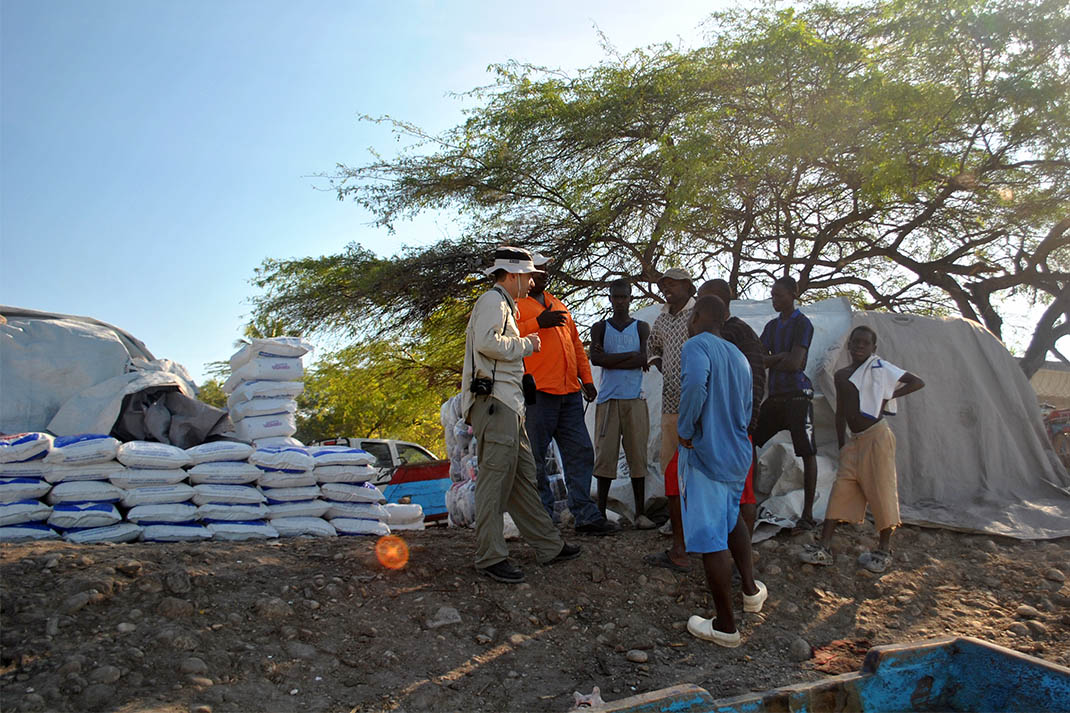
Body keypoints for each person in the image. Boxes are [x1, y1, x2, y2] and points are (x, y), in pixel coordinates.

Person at [462, 246, 582, 583]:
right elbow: (488, 343)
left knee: (522, 478)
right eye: (528, 276)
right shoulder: (494, 302)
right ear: (513, 275)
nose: (532, 282)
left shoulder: (505, 304)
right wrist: (527, 345)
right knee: (495, 480)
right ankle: (489, 556)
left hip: (509, 405)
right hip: (496, 404)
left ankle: (548, 546)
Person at [677, 296, 767, 647]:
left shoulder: (696, 345)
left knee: (712, 540)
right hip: (737, 454)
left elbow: (695, 386)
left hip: (707, 456)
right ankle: (750, 592)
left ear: (698, 316)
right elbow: (747, 407)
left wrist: (685, 430)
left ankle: (726, 626)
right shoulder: (739, 356)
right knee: (732, 523)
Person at [800, 325, 924, 573]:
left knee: (881, 489)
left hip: (877, 437)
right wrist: (841, 442)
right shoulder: (842, 375)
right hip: (854, 439)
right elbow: (842, 412)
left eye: (865, 344)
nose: (859, 347)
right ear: (849, 346)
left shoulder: (880, 369)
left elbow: (917, 382)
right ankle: (824, 546)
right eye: (855, 342)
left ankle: (884, 548)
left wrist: (889, 396)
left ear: (873, 348)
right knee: (841, 488)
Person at [518, 253, 619, 536]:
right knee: (535, 458)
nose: (543, 275)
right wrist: (538, 322)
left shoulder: (558, 304)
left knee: (580, 452)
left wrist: (586, 380)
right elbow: (507, 336)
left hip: (569, 393)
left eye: (546, 271)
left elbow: (575, 346)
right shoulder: (515, 306)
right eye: (538, 271)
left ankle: (585, 515)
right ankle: (542, 520)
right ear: (526, 273)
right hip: (538, 394)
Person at [697, 279, 766, 534]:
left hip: (735, 425)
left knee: (741, 493)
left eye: (702, 299)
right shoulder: (741, 332)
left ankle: (736, 557)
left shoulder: (730, 334)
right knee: (739, 491)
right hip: (739, 423)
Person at [754, 276, 819, 531]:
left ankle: (808, 513)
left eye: (779, 295)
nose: (774, 299)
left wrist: (775, 358)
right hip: (778, 396)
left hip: (797, 396)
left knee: (807, 451)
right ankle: (745, 500)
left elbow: (795, 364)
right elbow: (759, 359)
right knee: (749, 438)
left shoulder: (803, 324)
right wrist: (783, 356)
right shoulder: (771, 326)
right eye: (772, 295)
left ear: (793, 294)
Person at [589, 279, 655, 529]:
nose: (619, 301)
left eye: (624, 297)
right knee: (605, 455)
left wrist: (612, 359)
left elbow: (644, 357)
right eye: (615, 297)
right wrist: (631, 357)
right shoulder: (600, 328)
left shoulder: (641, 328)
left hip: (634, 398)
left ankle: (640, 513)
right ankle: (600, 512)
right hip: (608, 399)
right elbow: (596, 359)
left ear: (631, 298)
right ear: (610, 298)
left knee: (637, 454)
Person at [643, 267, 696, 572]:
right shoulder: (663, 317)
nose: (667, 289)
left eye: (672, 284)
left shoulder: (697, 315)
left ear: (688, 286)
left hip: (696, 404)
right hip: (670, 403)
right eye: (664, 285)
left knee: (695, 466)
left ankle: (692, 528)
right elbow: (651, 345)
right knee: (670, 464)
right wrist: (658, 362)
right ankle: (678, 525)